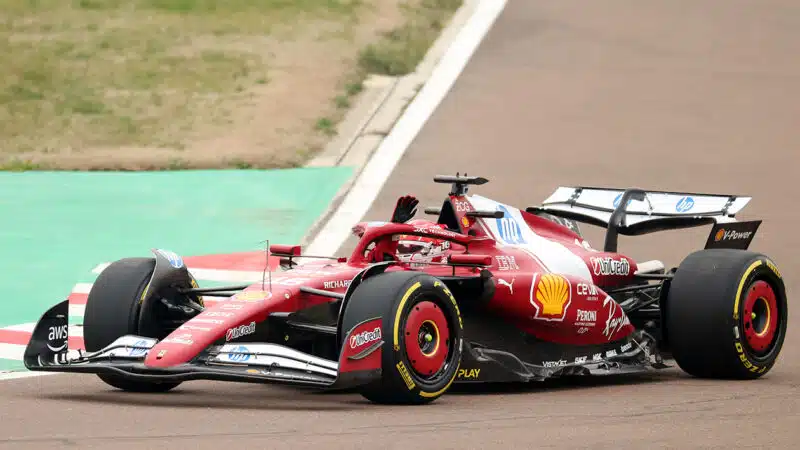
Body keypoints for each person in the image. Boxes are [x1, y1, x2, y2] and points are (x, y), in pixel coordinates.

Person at [350, 195, 450, 265]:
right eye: (400, 247)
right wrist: (394, 225)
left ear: (433, 249)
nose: (400, 252)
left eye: (412, 248)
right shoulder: (391, 263)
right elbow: (381, 257)